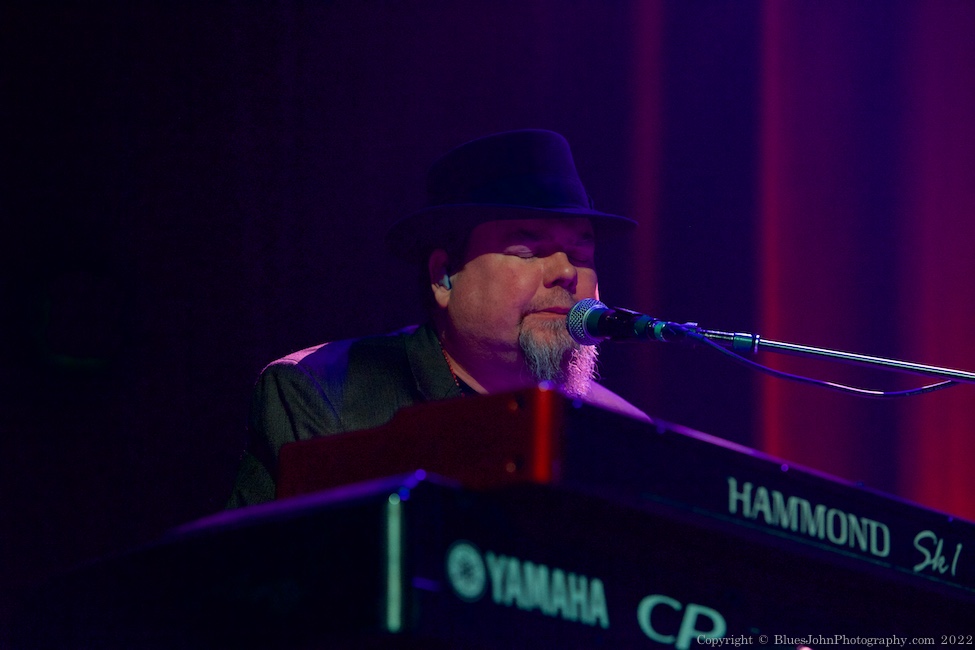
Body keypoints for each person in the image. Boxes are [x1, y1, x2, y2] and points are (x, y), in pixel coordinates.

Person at [226, 129, 649, 508]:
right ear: (443, 277)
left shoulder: (625, 432)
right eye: (529, 251)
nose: (566, 272)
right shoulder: (322, 393)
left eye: (581, 253)